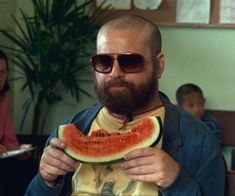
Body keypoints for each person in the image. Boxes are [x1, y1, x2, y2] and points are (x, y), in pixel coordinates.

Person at [26, 15, 225, 195]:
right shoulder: (67, 134)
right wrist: (45, 181)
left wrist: (177, 182)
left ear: (159, 65)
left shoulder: (199, 141)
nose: (114, 73)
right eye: (104, 61)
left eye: (130, 61)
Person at [0, 49, 37, 195]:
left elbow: (8, 139)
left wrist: (20, 150)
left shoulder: (4, 102)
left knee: (32, 167)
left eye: (2, 72)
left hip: (3, 160)